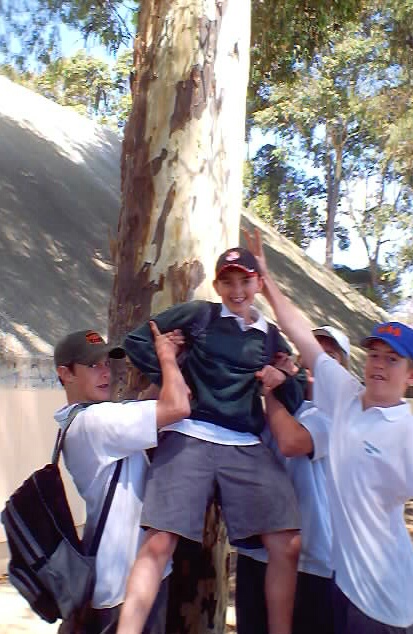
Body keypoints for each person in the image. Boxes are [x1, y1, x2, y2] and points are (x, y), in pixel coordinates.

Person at [117, 246, 307, 634]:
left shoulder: (271, 336)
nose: (237, 291)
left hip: (245, 444)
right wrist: (174, 375)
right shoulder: (199, 315)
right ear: (217, 286)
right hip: (190, 435)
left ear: (257, 283)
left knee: (287, 543)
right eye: (228, 282)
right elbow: (138, 341)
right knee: (158, 542)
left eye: (245, 282)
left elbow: (295, 390)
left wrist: (282, 378)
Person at [244, 227, 413, 634]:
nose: (379, 364)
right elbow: (301, 332)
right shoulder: (343, 396)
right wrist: (266, 281)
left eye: (393, 360)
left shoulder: (407, 431)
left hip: (387, 602)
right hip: (343, 585)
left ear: (410, 376)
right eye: (374, 355)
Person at [53, 324, 191, 634]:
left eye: (106, 363)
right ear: (65, 373)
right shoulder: (95, 423)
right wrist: (167, 358)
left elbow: (142, 407)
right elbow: (177, 406)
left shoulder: (82, 420)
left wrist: (171, 362)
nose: (105, 372)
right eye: (92, 365)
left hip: (126, 579)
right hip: (124, 587)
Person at [236, 325, 351, 634]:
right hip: (257, 553)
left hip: (313, 562)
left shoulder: (338, 416)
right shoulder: (272, 408)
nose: (317, 362)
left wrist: (271, 393)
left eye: (329, 357)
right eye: (311, 354)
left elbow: (292, 441)